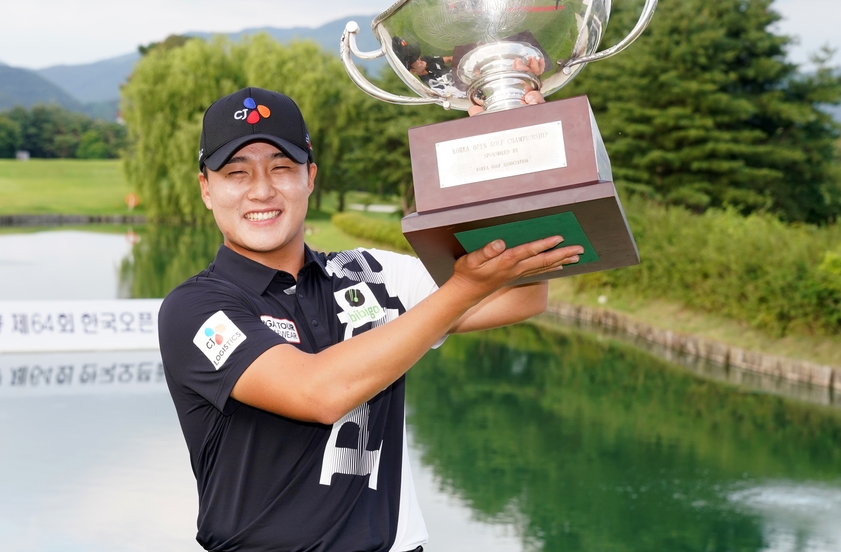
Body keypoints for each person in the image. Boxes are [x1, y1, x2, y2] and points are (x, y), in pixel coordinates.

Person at [158, 86, 583, 552]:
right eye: (236, 173)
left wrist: (514, 142)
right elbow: (317, 393)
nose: (262, 190)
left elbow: (521, 296)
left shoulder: (371, 272)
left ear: (310, 177)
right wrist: (463, 288)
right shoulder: (194, 309)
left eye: (282, 168)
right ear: (206, 189)